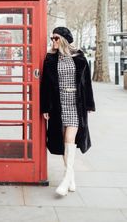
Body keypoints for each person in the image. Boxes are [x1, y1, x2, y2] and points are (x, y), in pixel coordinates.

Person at [40, 26, 95, 196]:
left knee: (70, 139)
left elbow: (86, 83)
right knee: (64, 141)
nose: (53, 41)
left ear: (63, 39)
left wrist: (90, 104)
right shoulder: (50, 58)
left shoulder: (79, 57)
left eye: (55, 38)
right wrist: (45, 107)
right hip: (58, 104)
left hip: (75, 103)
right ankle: (71, 178)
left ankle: (65, 180)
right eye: (51, 38)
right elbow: (46, 85)